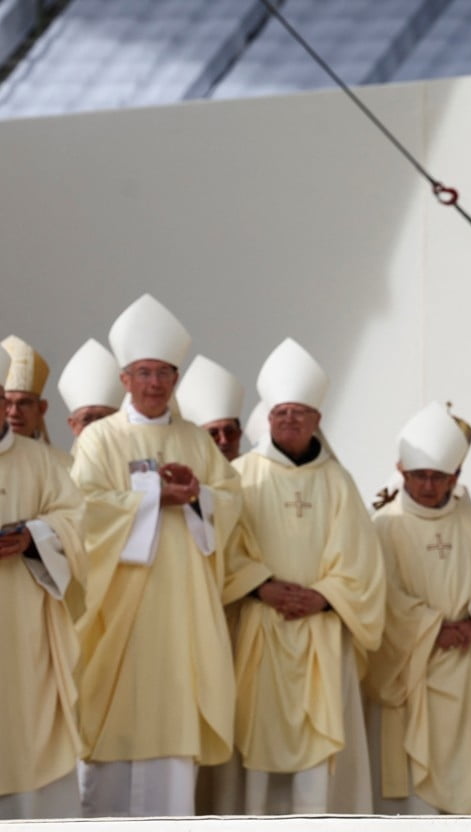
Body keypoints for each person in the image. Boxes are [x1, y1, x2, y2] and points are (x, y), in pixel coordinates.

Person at [70, 294, 244, 817]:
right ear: (124, 379)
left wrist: (199, 497)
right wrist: (149, 497)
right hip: (118, 613)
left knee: (171, 752)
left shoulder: (195, 439)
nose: (154, 383)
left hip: (181, 613)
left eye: (164, 373)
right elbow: (81, 513)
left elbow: (230, 499)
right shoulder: (100, 440)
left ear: (176, 378)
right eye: (143, 372)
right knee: (110, 733)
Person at [229, 338, 385, 814]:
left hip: (322, 632)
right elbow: (223, 550)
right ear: (268, 417)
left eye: (300, 413)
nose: (290, 421)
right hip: (261, 626)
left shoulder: (338, 481)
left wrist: (323, 596)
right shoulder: (240, 475)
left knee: (318, 751)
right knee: (256, 740)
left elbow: (363, 562)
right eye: (282, 413)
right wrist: (261, 584)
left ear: (318, 419)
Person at [366, 401, 471, 814]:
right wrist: (434, 627)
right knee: (419, 789)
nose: (428, 486)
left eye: (439, 477)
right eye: (420, 476)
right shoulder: (386, 524)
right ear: (403, 472)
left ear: (455, 476)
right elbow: (383, 592)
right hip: (416, 665)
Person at [0, 349, 87, 819]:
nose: (7, 411)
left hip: (27, 632)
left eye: (8, 401)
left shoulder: (46, 462)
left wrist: (33, 535)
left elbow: (77, 524)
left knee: (30, 731)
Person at [3, 335, 72, 469]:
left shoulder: (64, 465)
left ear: (41, 408)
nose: (14, 412)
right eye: (6, 403)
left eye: (24, 403)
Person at [176, 355, 246, 462]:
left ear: (240, 434)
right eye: (213, 434)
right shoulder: (189, 476)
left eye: (230, 432)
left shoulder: (256, 472)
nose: (224, 441)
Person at [57, 338, 123, 441]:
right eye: (86, 419)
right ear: (73, 425)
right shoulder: (62, 458)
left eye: (102, 419)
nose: (95, 428)